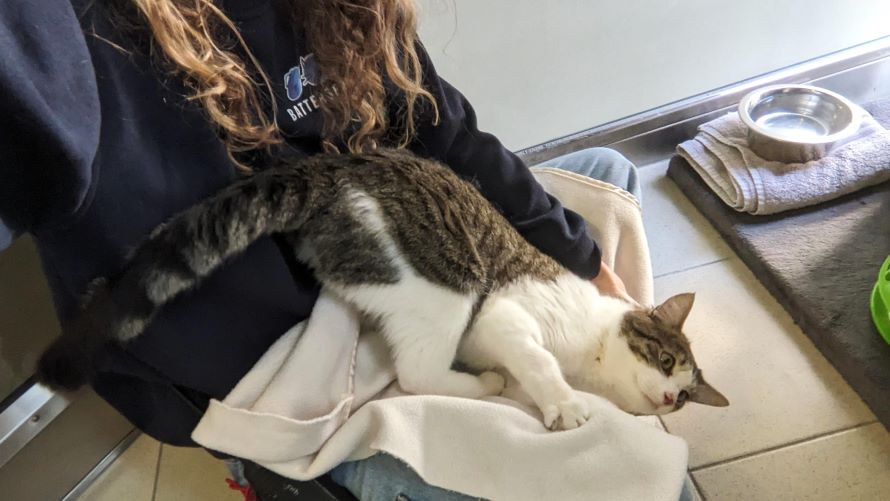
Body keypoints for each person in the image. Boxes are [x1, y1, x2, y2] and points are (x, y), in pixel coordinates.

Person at [0, 1, 689, 500]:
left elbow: (441, 125)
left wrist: (586, 261)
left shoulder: (347, 12)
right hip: (283, 360)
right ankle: (279, 470)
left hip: (398, 251)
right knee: (636, 472)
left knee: (608, 174)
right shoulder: (67, 32)